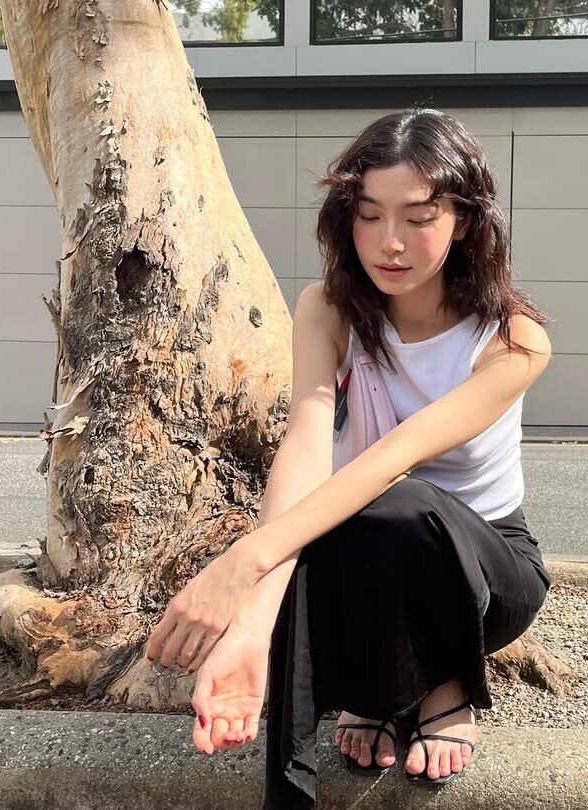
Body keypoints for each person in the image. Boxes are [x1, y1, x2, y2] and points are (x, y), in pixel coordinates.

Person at [145, 105, 553, 808]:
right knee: (318, 544)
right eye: (369, 215)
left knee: (397, 500)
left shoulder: (512, 340)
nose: (389, 242)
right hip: (371, 563)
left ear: (464, 221)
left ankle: (442, 683)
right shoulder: (327, 309)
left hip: (488, 577)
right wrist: (251, 629)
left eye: (418, 218)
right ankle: (315, 762)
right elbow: (306, 448)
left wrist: (241, 565)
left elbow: (393, 458)